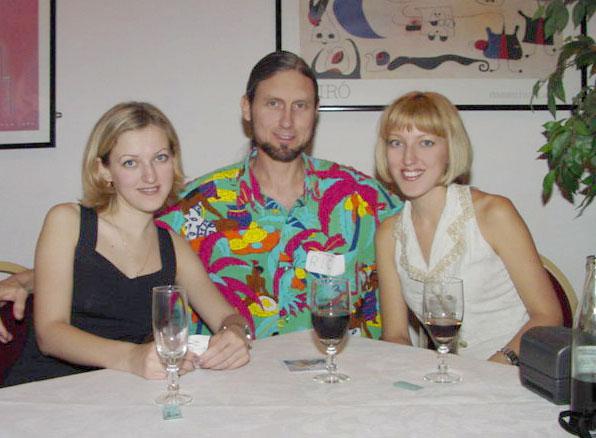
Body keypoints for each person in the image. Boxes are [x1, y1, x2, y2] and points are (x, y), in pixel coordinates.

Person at [0, 51, 402, 343]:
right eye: (273, 104)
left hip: (343, 383)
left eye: (301, 106)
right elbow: (115, 250)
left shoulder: (364, 199)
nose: (286, 120)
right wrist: (33, 279)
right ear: (247, 108)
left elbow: (425, 243)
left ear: (315, 112)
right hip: (234, 390)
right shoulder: (195, 205)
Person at [3, 102, 250, 386]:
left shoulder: (173, 247)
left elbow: (228, 317)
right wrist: (132, 357)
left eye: (160, 158)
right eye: (130, 163)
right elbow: (50, 334)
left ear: (174, 162)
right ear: (104, 170)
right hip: (45, 390)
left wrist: (235, 334)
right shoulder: (68, 222)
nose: (150, 176)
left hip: (124, 393)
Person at [374, 91, 562, 364]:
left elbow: (548, 316)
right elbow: (395, 336)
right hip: (448, 376)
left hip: (518, 370)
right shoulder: (389, 235)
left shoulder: (494, 213)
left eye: (426, 142)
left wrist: (494, 366)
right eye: (396, 143)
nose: (408, 158)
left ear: (451, 150)